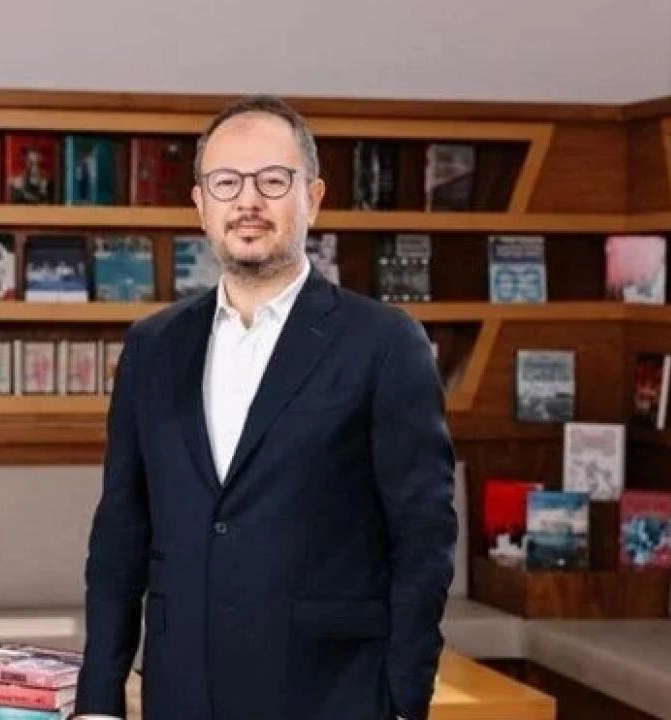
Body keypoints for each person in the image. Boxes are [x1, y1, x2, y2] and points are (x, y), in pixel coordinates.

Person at [73, 95, 457, 720]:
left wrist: (404, 703)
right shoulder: (152, 346)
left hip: (331, 693)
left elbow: (423, 539)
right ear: (201, 204)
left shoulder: (385, 342)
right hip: (181, 689)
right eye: (226, 182)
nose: (247, 201)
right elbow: (120, 531)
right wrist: (99, 700)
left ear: (314, 197)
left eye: (273, 181)